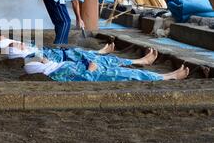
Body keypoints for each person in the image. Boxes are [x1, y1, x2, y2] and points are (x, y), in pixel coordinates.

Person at [0, 35, 158, 68]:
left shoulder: (26, 50)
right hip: (61, 60)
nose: (20, 44)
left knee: (79, 51)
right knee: (103, 62)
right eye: (18, 46)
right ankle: (140, 61)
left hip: (60, 57)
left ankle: (101, 51)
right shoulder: (28, 54)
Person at [24, 57, 190, 82]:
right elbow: (83, 79)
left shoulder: (55, 67)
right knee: (129, 74)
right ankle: (168, 76)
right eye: (40, 60)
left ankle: (143, 61)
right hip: (93, 74)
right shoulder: (56, 72)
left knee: (110, 62)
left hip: (84, 68)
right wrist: (90, 68)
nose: (43, 57)